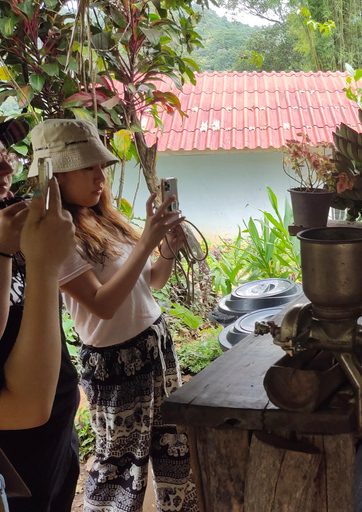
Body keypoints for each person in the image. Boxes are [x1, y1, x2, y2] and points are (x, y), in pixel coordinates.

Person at [29, 118, 198, 512]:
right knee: (117, 469)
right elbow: (102, 305)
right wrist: (148, 240)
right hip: (115, 364)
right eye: (87, 167)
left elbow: (153, 280)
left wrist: (167, 246)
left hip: (155, 344)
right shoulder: (57, 234)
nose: (99, 177)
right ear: (55, 176)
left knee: (172, 448)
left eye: (101, 166)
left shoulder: (107, 218)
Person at [0, 124, 80, 512]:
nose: (6, 168)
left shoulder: (9, 225)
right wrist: (45, 265)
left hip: (57, 438)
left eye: (4, 151)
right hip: (18, 455)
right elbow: (27, 407)